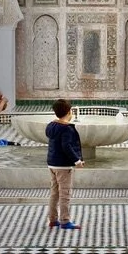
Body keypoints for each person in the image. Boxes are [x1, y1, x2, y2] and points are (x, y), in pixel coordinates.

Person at [46, 98, 84, 230]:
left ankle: (52, 219)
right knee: (65, 194)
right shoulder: (66, 128)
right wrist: (77, 161)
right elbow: (67, 146)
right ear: (69, 112)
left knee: (54, 193)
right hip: (63, 166)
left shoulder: (51, 125)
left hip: (52, 164)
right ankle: (65, 221)